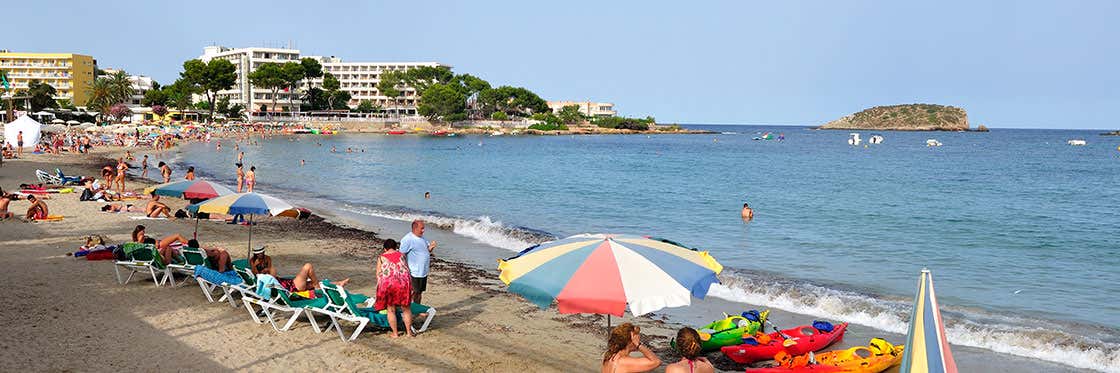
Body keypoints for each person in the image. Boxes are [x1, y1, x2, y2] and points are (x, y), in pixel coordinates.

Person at [249, 246, 348, 292]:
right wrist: (257, 267)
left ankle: (338, 283)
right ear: (255, 254)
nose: (261, 254)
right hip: (290, 287)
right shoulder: (263, 276)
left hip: (286, 283)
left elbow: (271, 271)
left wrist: (266, 270)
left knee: (313, 282)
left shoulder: (268, 259)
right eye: (258, 253)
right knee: (308, 266)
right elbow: (258, 275)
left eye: (262, 252)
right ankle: (317, 286)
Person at [374, 239, 414, 338]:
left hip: (389, 285)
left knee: (391, 310)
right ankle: (409, 332)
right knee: (406, 309)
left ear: (385, 248)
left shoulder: (381, 257)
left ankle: (395, 334)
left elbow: (378, 274)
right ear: (396, 247)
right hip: (403, 284)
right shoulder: (402, 255)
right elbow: (407, 270)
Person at [399, 220, 437, 304]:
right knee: (413, 292)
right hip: (414, 272)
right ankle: (408, 309)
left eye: (424, 228)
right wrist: (405, 268)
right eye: (422, 228)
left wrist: (431, 247)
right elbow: (401, 255)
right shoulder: (408, 239)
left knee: (419, 292)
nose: (423, 230)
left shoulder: (422, 238)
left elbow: (426, 251)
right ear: (415, 228)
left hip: (423, 271)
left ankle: (417, 309)